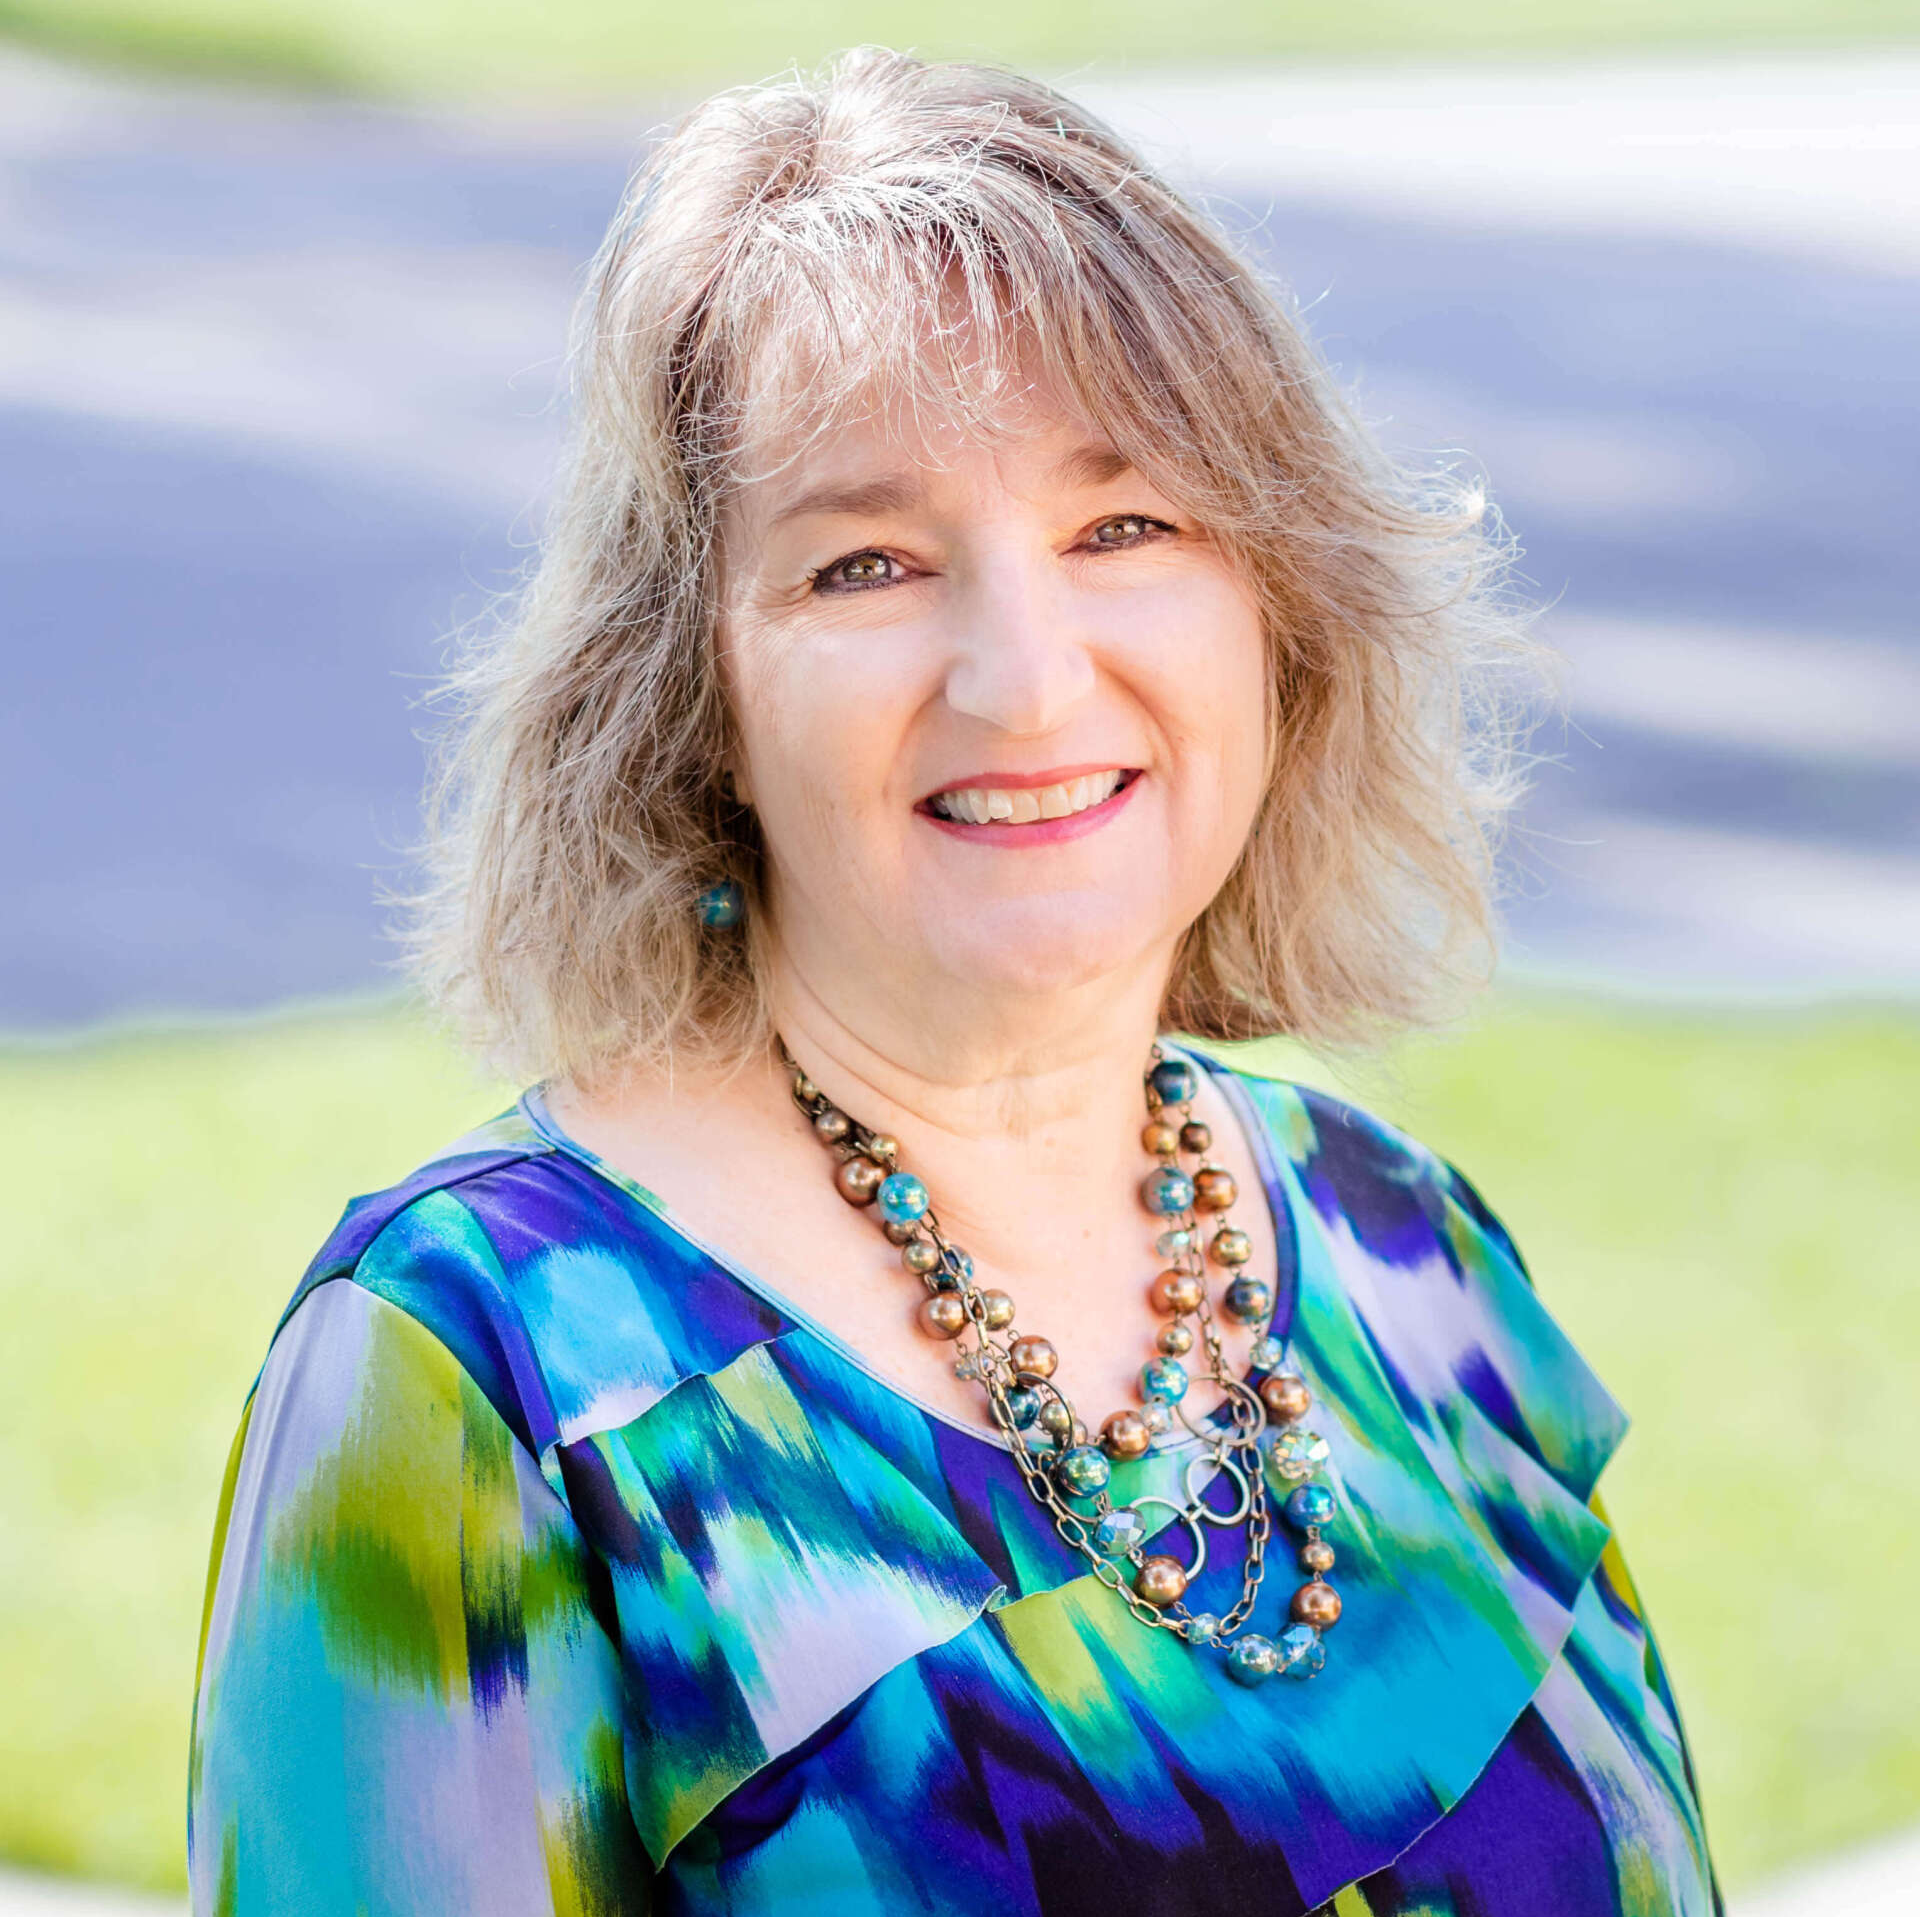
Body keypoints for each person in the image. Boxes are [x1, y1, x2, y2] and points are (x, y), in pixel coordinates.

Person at [186, 47, 1722, 1917]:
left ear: (1280, 609)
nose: (1026, 676)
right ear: (692, 696)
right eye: (867, 566)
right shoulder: (483, 1369)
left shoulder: (1412, 1251)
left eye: (1124, 527)